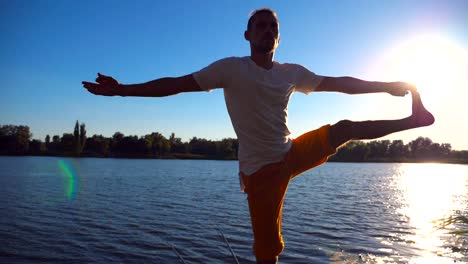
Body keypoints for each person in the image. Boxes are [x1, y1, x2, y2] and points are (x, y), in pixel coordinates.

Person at [82, 8, 434, 264]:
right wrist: (123, 90)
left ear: (278, 38)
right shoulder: (230, 69)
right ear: (247, 35)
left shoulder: (291, 73)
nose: (267, 31)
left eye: (273, 27)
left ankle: (414, 119)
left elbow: (340, 83)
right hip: (260, 174)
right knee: (267, 253)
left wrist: (388, 86)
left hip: (292, 151)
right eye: (260, 26)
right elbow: (175, 85)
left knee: (343, 129)